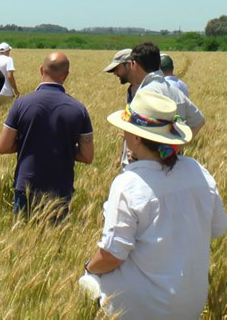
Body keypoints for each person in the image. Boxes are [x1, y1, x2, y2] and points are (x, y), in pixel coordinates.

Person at [82, 91, 227, 319]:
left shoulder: (128, 184)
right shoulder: (198, 171)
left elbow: (112, 255)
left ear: (138, 138)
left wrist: (88, 268)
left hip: (140, 309)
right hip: (191, 306)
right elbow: (218, 228)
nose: (123, 133)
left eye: (127, 129)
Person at [0, 52, 93, 221]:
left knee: (23, 239)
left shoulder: (21, 104)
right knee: (56, 242)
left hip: (26, 185)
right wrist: (64, 148)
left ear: (41, 70)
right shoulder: (79, 109)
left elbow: (3, 146)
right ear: (66, 75)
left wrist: (30, 144)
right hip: (61, 187)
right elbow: (87, 156)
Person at [0, 42, 20, 107]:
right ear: (7, 50)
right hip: (6, 93)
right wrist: (15, 90)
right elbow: (10, 76)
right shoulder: (9, 60)